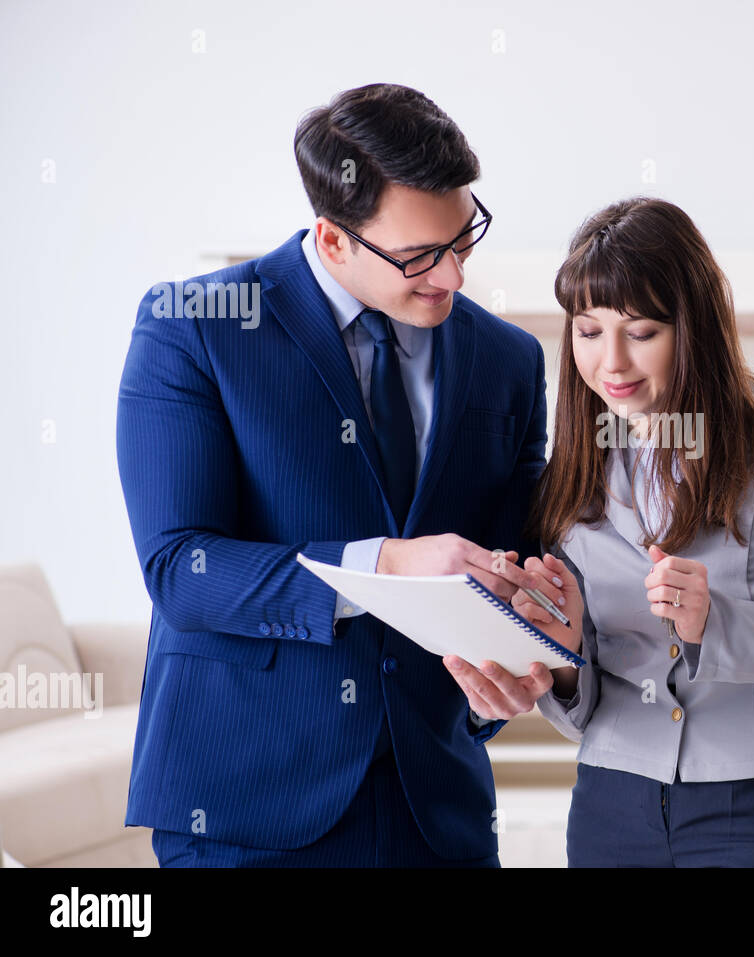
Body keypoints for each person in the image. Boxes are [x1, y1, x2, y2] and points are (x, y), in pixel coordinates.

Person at [115, 83, 559, 867]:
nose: (453, 278)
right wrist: (383, 563)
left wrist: (517, 661)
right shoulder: (192, 329)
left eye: (464, 239)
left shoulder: (509, 360)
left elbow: (502, 566)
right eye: (420, 257)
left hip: (439, 812)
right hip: (246, 804)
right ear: (331, 239)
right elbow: (181, 567)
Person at [508, 197, 754, 867]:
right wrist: (567, 656)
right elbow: (581, 700)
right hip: (612, 802)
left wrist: (717, 624)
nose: (612, 362)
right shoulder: (574, 471)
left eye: (642, 330)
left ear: (694, 327)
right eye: (588, 330)